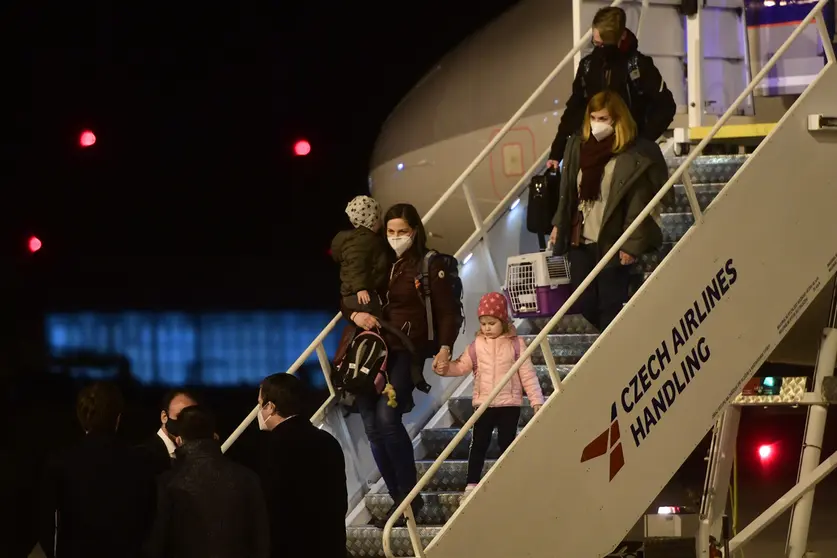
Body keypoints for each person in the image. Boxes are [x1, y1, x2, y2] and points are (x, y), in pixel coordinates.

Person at [343, 202, 461, 528]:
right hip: (373, 351)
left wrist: (445, 347)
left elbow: (447, 311)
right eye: (391, 231)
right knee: (371, 423)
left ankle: (409, 497)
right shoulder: (378, 262)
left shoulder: (427, 263)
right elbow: (347, 292)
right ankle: (400, 500)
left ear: (415, 232)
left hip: (405, 350)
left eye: (402, 232)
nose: (396, 238)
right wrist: (354, 313)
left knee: (386, 417)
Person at [549, 90, 665, 332]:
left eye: (603, 119)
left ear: (617, 120)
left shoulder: (631, 155)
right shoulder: (578, 148)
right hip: (580, 238)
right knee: (583, 301)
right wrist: (559, 224)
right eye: (594, 118)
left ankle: (613, 358)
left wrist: (631, 244)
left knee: (609, 305)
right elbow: (567, 191)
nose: (597, 124)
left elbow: (638, 202)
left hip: (612, 239)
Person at [434, 292, 544, 501]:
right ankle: (472, 483)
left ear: (503, 321)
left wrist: (536, 400)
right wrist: (445, 369)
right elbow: (461, 366)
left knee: (507, 443)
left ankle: (510, 480)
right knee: (479, 443)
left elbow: (527, 374)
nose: (486, 328)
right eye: (483, 323)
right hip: (483, 404)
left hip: (509, 404)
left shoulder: (515, 344)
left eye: (492, 323)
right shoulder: (476, 345)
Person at [546, 6, 676, 169]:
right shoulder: (588, 66)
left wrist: (643, 141)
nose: (598, 49)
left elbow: (666, 106)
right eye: (595, 43)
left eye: (602, 45)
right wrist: (556, 153)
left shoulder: (638, 66)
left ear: (620, 37)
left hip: (630, 151)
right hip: (593, 150)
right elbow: (574, 109)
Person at [39, 382, 155, 558]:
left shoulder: (61, 462)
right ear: (117, 417)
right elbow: (149, 523)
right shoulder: (140, 462)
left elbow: (47, 525)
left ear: (81, 416)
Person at [145, 406, 269, 558]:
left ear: (179, 440)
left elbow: (157, 543)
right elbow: (261, 542)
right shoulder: (248, 479)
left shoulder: (168, 483)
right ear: (215, 436)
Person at [257, 373, 347, 558]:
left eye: (260, 405)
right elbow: (339, 499)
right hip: (331, 544)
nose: (260, 411)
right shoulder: (327, 440)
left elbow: (273, 506)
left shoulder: (274, 446)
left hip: (293, 547)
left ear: (271, 407)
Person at [332, 195, 390, 317]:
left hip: (351, 294)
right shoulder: (364, 242)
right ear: (373, 219)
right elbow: (356, 264)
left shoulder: (352, 240)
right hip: (360, 296)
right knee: (378, 320)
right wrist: (360, 288)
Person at [138, 389, 198, 475]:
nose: (186, 423)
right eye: (181, 416)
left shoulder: (195, 453)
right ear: (164, 417)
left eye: (192, 419)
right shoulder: (144, 455)